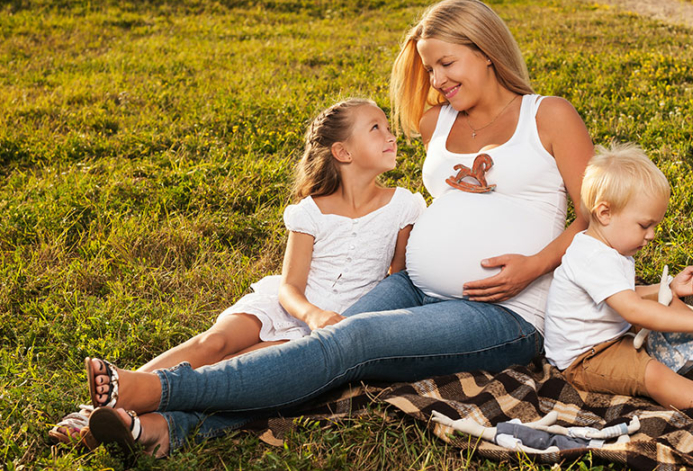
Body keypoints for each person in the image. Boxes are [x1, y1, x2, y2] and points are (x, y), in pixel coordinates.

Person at [83, 0, 594, 459]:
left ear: (486, 50)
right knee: (321, 357)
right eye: (429, 68)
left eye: (446, 64)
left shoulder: (548, 116)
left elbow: (596, 216)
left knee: (353, 343)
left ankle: (161, 389)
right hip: (412, 287)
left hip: (502, 310)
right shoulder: (437, 122)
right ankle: (166, 429)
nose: (436, 80)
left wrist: (532, 267)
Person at [51, 97, 425, 448]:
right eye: (376, 127)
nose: (390, 134)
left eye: (387, 126)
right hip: (293, 306)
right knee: (211, 345)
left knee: (237, 371)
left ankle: (137, 424)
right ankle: (96, 411)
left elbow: (397, 280)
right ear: (342, 152)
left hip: (335, 325)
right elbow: (290, 287)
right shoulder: (310, 211)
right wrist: (312, 313)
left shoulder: (404, 206)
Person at [543, 143, 693, 433]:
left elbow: (627, 295)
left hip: (613, 334)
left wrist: (670, 288)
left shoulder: (611, 249)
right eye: (644, 225)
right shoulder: (592, 257)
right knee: (653, 374)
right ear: (605, 213)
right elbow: (633, 310)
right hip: (585, 358)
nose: (651, 236)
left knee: (671, 305)